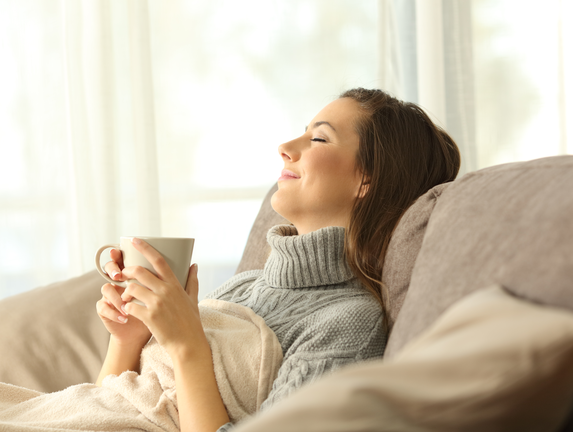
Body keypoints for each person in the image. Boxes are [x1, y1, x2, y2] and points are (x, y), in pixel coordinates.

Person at [95, 88, 461, 432]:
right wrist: (128, 339)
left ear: (367, 178)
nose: (285, 147)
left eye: (318, 138)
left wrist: (187, 345)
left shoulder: (349, 323)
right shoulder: (244, 286)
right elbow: (103, 406)